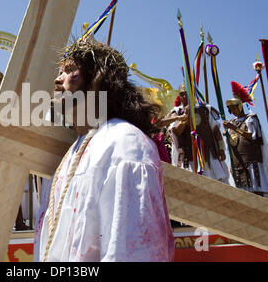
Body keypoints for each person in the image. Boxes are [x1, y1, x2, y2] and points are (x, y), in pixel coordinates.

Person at [33, 40, 175, 262]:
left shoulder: (124, 144)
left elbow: (134, 252)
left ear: (97, 81)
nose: (57, 79)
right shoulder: (72, 152)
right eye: (60, 71)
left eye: (70, 70)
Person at [167, 84, 235, 186]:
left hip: (209, 156)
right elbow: (176, 132)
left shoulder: (206, 109)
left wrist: (221, 149)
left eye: (187, 94)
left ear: (193, 94)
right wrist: (185, 118)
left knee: (214, 187)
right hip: (188, 158)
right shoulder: (176, 112)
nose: (185, 97)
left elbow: (216, 131)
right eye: (182, 94)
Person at [223, 89, 268, 196]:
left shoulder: (251, 119)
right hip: (237, 162)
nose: (233, 111)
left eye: (234, 108)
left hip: (251, 160)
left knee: (256, 188)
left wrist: (234, 128)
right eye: (230, 109)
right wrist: (226, 133)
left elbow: (252, 136)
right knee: (242, 192)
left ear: (239, 106)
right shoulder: (232, 122)